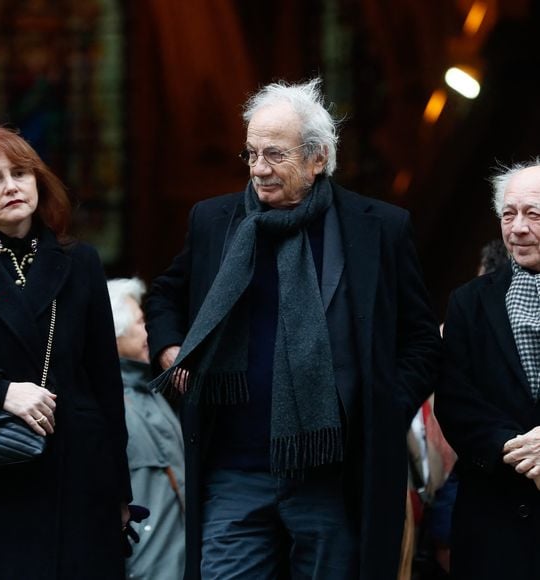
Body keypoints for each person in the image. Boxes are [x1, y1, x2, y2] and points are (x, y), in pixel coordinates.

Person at [146, 78, 441, 580]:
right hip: (235, 469)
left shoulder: (379, 228)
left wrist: (383, 405)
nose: (259, 169)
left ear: (318, 159)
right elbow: (165, 296)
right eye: (252, 153)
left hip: (333, 475)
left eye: (275, 155)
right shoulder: (216, 220)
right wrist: (172, 349)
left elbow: (419, 339)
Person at [0, 124, 132, 579]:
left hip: (78, 469)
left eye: (20, 173)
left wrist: (120, 492)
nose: (12, 187)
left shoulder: (81, 261)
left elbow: (105, 380)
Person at [435, 158, 540, 579]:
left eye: (533, 214)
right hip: (494, 520)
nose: (517, 228)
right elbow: (457, 403)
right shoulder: (468, 303)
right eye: (508, 214)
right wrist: (525, 454)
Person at [107, 277, 186, 580]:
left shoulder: (152, 391)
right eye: (140, 322)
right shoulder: (109, 403)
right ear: (113, 336)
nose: (149, 331)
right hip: (143, 567)